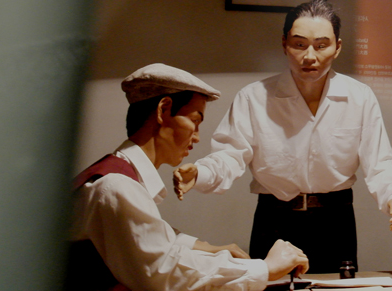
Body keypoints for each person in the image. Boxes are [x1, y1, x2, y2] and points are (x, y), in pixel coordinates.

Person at [174, 0, 392, 272]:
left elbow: (379, 163)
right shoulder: (254, 97)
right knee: (269, 287)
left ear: (337, 47)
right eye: (299, 44)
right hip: (274, 219)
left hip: (335, 220)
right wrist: (201, 173)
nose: (309, 56)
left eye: (321, 45)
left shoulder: (359, 97)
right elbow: (230, 155)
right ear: (284, 43)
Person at [67, 63, 309, 291]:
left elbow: (155, 242)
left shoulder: (117, 175)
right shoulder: (116, 186)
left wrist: (207, 248)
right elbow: (163, 272)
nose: (197, 137)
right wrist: (265, 268)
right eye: (195, 121)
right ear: (163, 110)